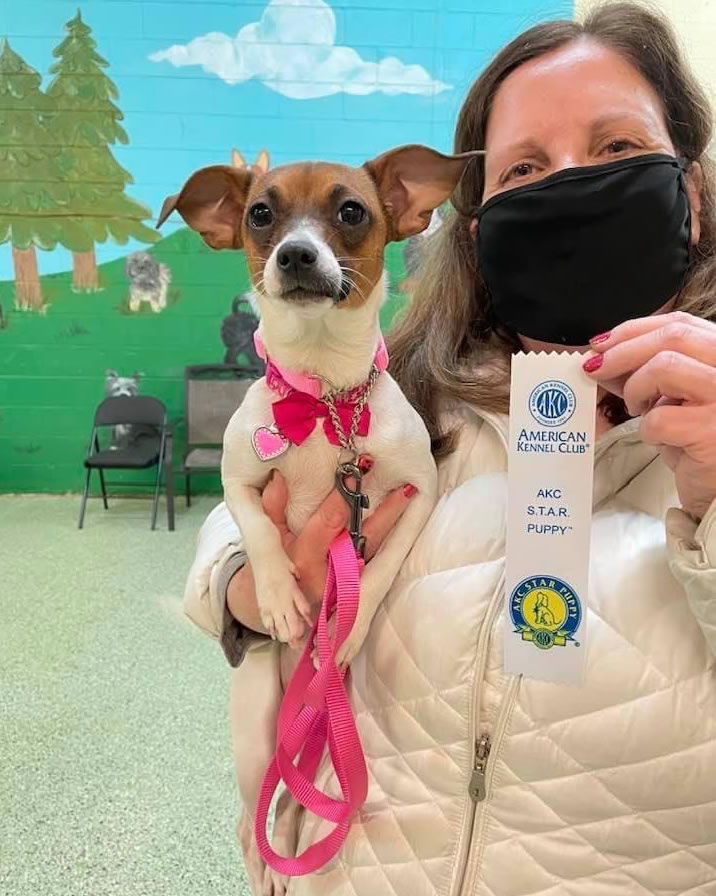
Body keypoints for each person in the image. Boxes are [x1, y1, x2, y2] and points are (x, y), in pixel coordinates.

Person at [183, 3, 716, 893]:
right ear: (475, 228)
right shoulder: (410, 394)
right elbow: (240, 506)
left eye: (618, 150)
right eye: (526, 168)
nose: (572, 188)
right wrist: (248, 577)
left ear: (691, 195)